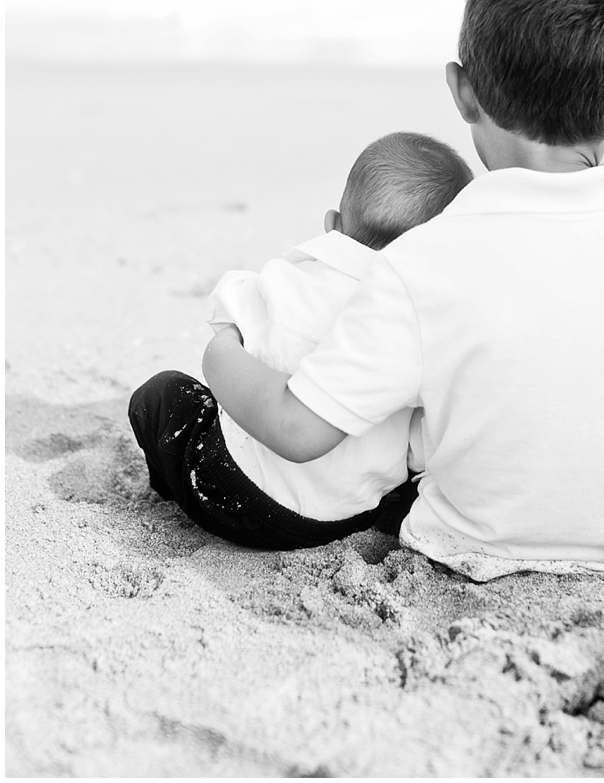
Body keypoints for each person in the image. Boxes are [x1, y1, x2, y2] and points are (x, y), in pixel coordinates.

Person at [200, 0, 604, 580]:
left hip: (476, 548)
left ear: (463, 91)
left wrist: (221, 352)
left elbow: (298, 431)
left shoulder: (422, 263)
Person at [128, 132, 473, 548]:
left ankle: (168, 487)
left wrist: (239, 339)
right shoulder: (422, 330)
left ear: (332, 227)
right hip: (344, 516)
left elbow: (226, 313)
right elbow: (423, 440)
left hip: (235, 492)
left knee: (163, 394)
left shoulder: (287, 282)